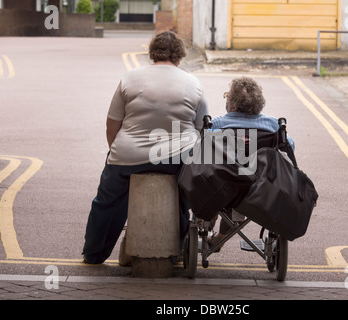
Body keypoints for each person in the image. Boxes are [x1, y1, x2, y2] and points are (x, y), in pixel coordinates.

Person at [82, 31, 209, 264]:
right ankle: (178, 250)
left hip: (129, 154)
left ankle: (94, 253)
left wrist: (118, 153)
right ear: (180, 55)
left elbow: (112, 124)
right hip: (178, 159)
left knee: (108, 202)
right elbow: (202, 129)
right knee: (183, 199)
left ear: (152, 52)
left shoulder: (129, 78)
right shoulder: (194, 84)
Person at [209, 76, 294, 249]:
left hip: (222, 188)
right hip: (261, 190)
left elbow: (201, 152)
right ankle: (221, 235)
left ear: (232, 105)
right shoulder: (272, 125)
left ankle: (213, 226)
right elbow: (290, 147)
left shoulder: (217, 124)